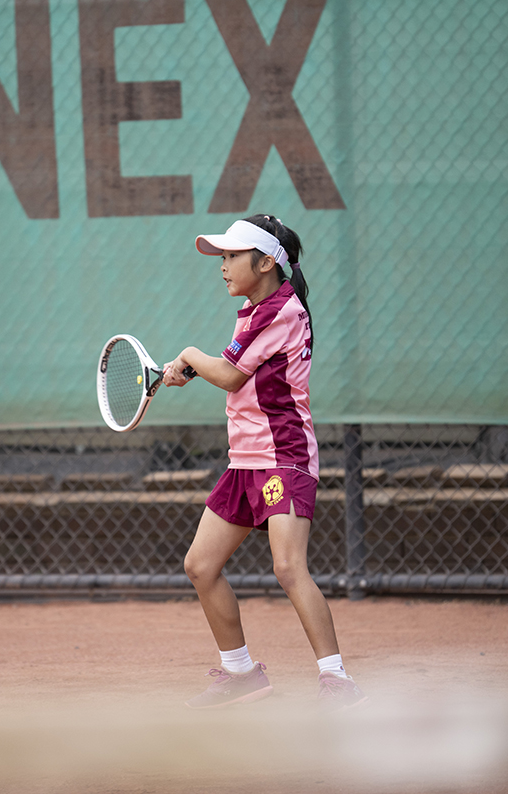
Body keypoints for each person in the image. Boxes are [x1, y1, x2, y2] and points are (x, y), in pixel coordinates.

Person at [162, 214, 365, 711]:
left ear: (266, 262)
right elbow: (236, 369)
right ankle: (240, 674)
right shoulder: (255, 311)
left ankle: (337, 681)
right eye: (223, 256)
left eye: (232, 256)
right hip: (245, 461)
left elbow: (230, 376)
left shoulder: (280, 310)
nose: (223, 266)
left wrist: (189, 355)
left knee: (288, 567)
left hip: (284, 458)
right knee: (200, 565)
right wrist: (192, 368)